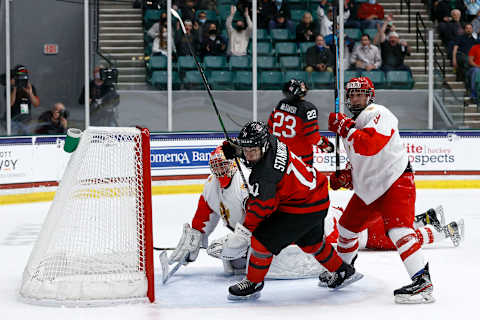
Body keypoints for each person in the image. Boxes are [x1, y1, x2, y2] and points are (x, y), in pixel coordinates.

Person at [220, 121, 362, 300]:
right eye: (246, 150)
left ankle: (254, 282)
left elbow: (261, 208)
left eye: (252, 151)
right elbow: (254, 149)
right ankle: (343, 271)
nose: (248, 156)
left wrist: (243, 233)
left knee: (261, 242)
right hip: (317, 196)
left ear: (263, 146)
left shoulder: (265, 175)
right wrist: (238, 150)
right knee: (313, 243)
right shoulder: (271, 140)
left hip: (302, 207)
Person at [327, 77, 435, 304]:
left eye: (360, 94)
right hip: (370, 188)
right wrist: (347, 176)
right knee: (346, 229)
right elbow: (362, 161)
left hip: (395, 180)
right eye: (352, 94)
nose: (356, 98)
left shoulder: (379, 113)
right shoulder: (352, 124)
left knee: (398, 231)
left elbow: (371, 144)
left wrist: (344, 127)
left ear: (370, 96)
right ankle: (343, 270)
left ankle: (422, 283)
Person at [168, 146, 325, 279]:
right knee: (225, 255)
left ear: (233, 164)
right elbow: (204, 215)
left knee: (272, 254)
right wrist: (195, 236)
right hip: (247, 234)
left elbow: (265, 216)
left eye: (223, 165)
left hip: (270, 232)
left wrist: (243, 238)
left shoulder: (247, 181)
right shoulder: (211, 185)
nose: (220, 171)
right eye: (216, 167)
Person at [267, 79, 334, 167]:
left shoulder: (281, 104)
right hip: (300, 156)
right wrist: (324, 145)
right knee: (304, 180)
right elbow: (312, 136)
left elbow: (270, 128)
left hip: (279, 155)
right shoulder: (307, 109)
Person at [8, 65, 40, 135]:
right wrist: (15, 87)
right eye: (19, 78)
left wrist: (30, 93)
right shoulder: (10, 88)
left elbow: (36, 104)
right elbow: (10, 104)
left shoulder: (30, 87)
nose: (21, 80)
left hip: (26, 122)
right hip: (14, 121)